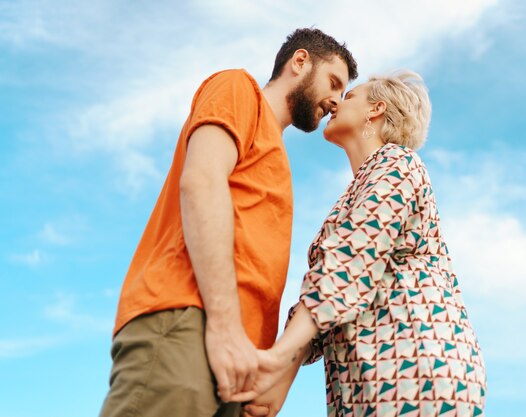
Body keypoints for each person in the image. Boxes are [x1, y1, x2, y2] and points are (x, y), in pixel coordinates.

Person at [98, 28, 358, 417]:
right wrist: (223, 326)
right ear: (300, 62)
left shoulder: (281, 160)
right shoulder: (238, 89)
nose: (336, 101)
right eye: (334, 83)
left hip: (239, 364)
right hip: (191, 323)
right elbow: (201, 181)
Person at [233, 71, 487, 417]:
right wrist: (280, 383)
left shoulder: (397, 162)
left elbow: (349, 263)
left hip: (415, 369)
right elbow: (330, 289)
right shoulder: (359, 189)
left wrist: (276, 360)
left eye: (350, 96)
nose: (336, 102)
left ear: (376, 109)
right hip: (365, 378)